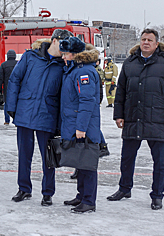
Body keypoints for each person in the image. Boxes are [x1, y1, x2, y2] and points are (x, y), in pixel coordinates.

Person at [107, 28, 164, 210]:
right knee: (127, 158)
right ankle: (125, 188)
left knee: (160, 162)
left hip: (159, 119)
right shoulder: (130, 63)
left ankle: (157, 195)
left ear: (157, 44)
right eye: (143, 39)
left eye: (149, 40)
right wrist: (118, 114)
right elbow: (121, 91)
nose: (145, 42)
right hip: (133, 118)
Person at [6, 29, 71, 206]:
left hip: (47, 115)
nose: (65, 48)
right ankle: (24, 188)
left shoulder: (64, 65)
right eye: (63, 43)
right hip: (25, 111)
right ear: (54, 41)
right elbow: (15, 80)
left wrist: (60, 122)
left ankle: (48, 192)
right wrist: (11, 107)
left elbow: (64, 95)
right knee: (24, 154)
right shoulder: (30, 57)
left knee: (48, 157)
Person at [59, 36, 101, 213]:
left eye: (65, 53)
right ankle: (81, 195)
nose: (63, 57)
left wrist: (81, 128)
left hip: (84, 126)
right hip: (75, 123)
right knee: (80, 162)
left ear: (74, 54)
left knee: (87, 163)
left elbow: (87, 101)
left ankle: (89, 200)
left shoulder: (83, 72)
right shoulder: (74, 70)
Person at [0, 49, 17, 125]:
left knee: (6, 103)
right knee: (17, 103)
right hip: (17, 87)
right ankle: (16, 120)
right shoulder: (18, 63)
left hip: (7, 87)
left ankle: (7, 120)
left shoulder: (4, 65)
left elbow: (0, 78)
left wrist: (0, 88)